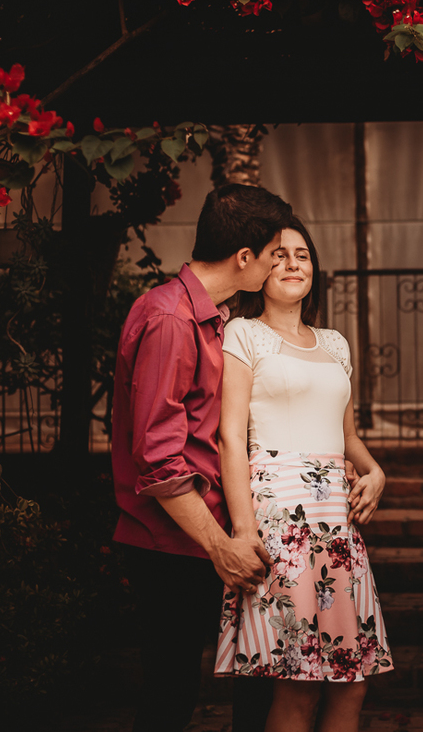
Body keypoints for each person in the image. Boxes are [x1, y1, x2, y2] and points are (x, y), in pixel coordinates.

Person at [111, 184, 291, 732]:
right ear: (244, 258)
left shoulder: (213, 318)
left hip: (211, 536)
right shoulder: (170, 319)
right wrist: (222, 548)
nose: (276, 267)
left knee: (258, 679)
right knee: (170, 695)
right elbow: (159, 461)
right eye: (272, 255)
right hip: (173, 543)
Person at [214, 217, 393, 732]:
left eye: (303, 254)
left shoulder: (335, 343)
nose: (293, 262)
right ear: (259, 268)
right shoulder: (243, 335)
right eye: (280, 253)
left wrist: (375, 471)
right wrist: (244, 530)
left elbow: (348, 436)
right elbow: (230, 437)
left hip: (338, 523)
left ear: (314, 269)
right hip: (279, 521)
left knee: (352, 677)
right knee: (299, 681)